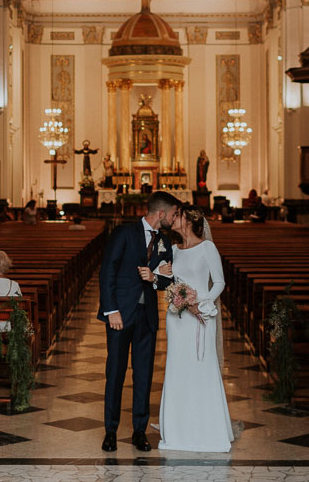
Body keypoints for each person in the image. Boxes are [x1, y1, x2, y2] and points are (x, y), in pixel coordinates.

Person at [97, 190, 180, 452]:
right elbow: (107, 271)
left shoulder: (164, 241)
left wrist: (154, 278)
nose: (175, 219)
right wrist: (112, 311)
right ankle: (110, 431)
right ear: (161, 214)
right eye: (174, 214)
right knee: (116, 373)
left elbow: (168, 280)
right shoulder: (124, 233)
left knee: (144, 375)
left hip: (147, 318)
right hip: (120, 316)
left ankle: (139, 431)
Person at [157, 205, 234, 452]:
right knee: (178, 369)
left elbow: (219, 281)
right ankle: (178, 429)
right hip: (177, 318)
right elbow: (171, 283)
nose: (173, 218)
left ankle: (206, 428)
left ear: (189, 221)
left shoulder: (207, 248)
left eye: (177, 215)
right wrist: (162, 274)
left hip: (202, 316)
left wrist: (202, 303)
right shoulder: (174, 250)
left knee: (202, 366)